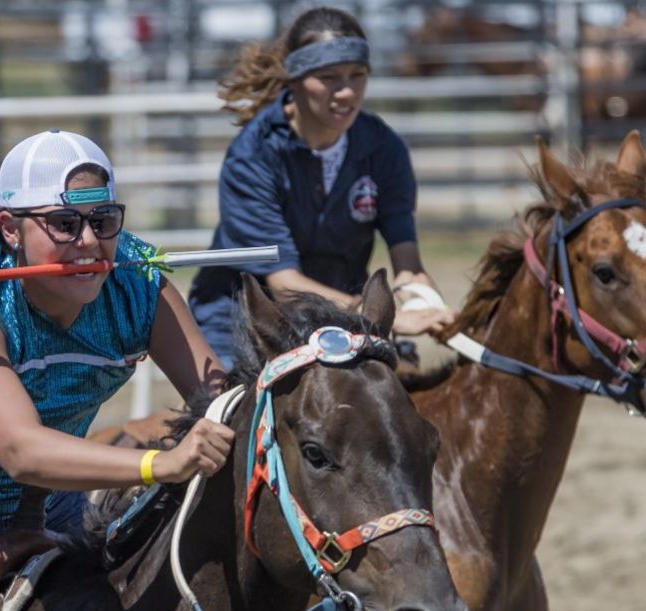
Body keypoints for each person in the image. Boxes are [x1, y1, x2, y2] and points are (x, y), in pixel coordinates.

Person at [0, 129, 234, 611]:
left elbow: (221, 398)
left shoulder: (141, 280)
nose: (89, 242)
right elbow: (21, 451)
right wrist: (162, 465)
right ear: (10, 228)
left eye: (103, 221)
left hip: (55, 512)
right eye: (64, 223)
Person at [188, 6, 456, 366]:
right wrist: (384, 317)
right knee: (228, 420)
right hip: (246, 329)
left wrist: (426, 304)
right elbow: (285, 286)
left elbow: (407, 264)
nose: (347, 92)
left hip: (342, 324)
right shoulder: (252, 156)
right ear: (294, 79)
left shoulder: (384, 148)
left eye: (357, 75)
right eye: (329, 77)